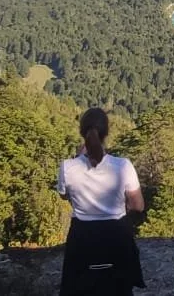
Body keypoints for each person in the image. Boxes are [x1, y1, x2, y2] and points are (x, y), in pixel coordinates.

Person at [57, 108, 145, 296]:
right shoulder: (123, 166)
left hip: (82, 237)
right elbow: (138, 206)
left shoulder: (67, 167)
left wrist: (78, 160)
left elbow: (64, 195)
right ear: (106, 133)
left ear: (82, 132)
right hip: (117, 236)